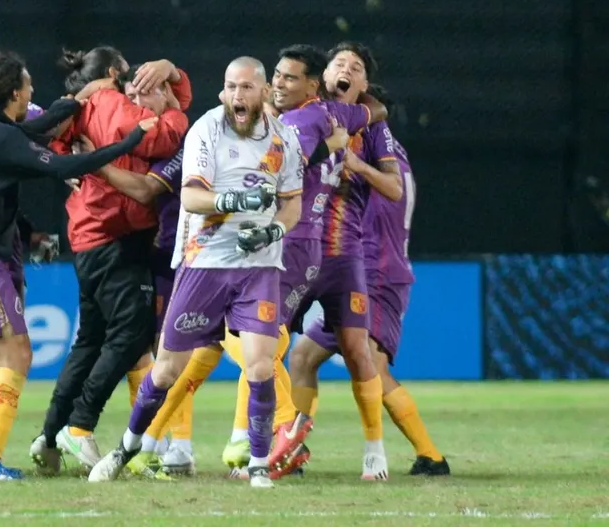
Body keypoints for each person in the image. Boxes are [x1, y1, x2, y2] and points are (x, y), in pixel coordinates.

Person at [0, 54, 156, 481]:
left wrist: (75, 101)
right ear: (14, 93)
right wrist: (128, 143)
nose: (33, 93)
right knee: (18, 354)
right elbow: (63, 165)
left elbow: (34, 128)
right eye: (29, 86)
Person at [86, 56, 304, 489]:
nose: (236, 96)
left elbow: (292, 203)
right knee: (167, 369)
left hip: (258, 265)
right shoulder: (207, 128)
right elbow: (190, 197)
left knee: (261, 366)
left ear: (263, 92)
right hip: (204, 262)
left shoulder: (286, 139)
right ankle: (126, 447)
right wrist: (235, 203)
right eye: (230, 87)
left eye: (245, 88)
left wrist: (274, 230)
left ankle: (259, 465)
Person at [31, 48, 192, 472]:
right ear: (112, 75)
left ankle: (50, 434)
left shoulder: (83, 104)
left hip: (92, 236)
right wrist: (175, 112)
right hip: (112, 237)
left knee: (90, 340)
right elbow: (159, 137)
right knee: (133, 329)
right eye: (134, 81)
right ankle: (80, 426)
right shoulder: (109, 103)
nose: (140, 91)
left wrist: (172, 74)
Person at [293, 84, 450, 476]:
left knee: (370, 365)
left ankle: (430, 456)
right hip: (361, 270)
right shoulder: (391, 155)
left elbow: (385, 201)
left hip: (375, 272)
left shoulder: (379, 159)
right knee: (302, 356)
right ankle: (291, 448)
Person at [273, 42, 401, 481]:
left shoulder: (369, 127)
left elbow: (395, 189)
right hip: (292, 250)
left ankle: (374, 450)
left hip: (344, 256)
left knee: (357, 352)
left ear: (364, 84)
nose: (346, 70)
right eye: (339, 63)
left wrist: (355, 165)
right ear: (321, 76)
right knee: (274, 351)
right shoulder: (302, 113)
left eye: (357, 67)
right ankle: (283, 445)